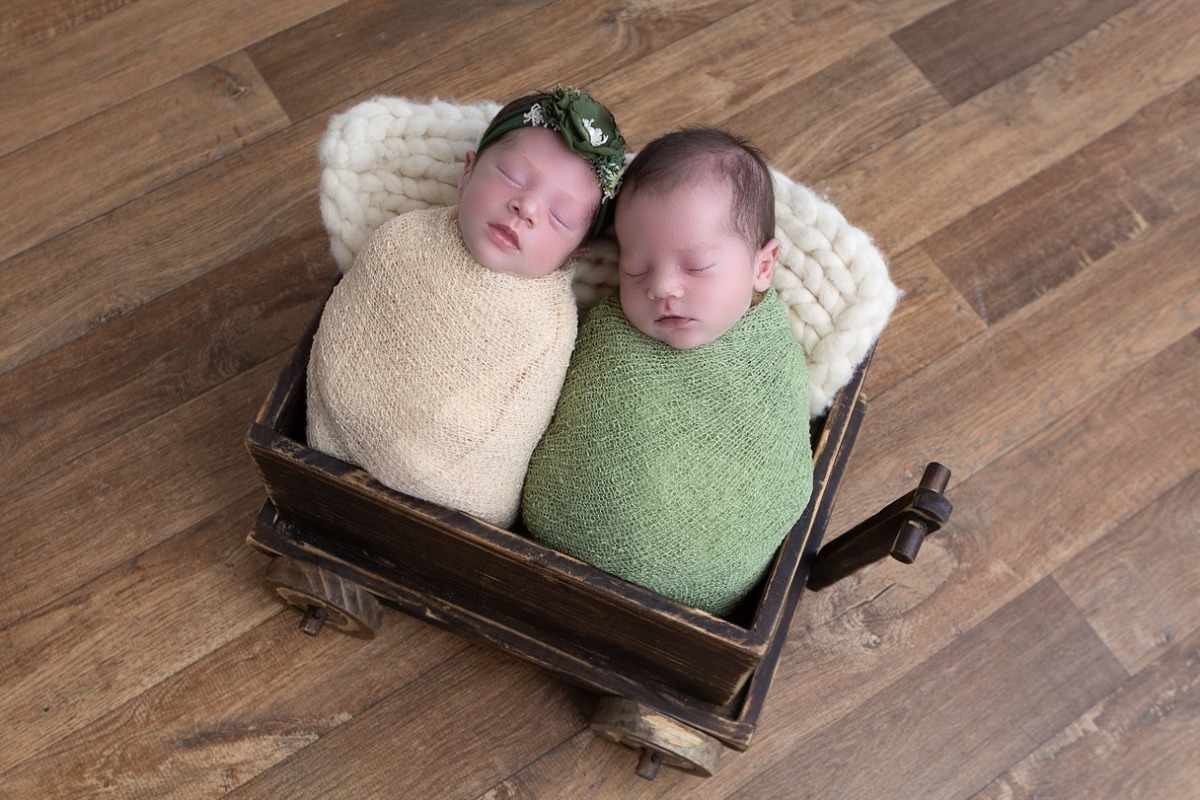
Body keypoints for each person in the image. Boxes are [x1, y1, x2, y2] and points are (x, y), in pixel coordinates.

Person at [521, 128, 814, 617]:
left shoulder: (770, 358)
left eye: (696, 267)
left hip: (698, 591)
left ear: (762, 267)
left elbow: (777, 463)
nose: (661, 288)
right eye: (636, 270)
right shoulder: (610, 334)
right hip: (550, 550)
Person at [306, 85, 626, 528]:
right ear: (468, 171)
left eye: (560, 217)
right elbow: (346, 336)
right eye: (513, 176)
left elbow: (514, 427)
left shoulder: (550, 327)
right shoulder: (403, 240)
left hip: (452, 513)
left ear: (576, 251)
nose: (527, 208)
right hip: (327, 453)